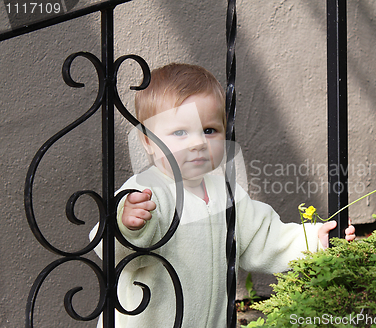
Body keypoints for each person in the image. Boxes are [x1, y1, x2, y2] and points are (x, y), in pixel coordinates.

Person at [91, 63, 355, 328]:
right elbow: (111, 248)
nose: (198, 143)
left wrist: (313, 241)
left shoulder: (226, 193)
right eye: (180, 132)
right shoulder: (144, 191)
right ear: (147, 140)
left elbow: (264, 237)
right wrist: (128, 225)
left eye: (209, 130)